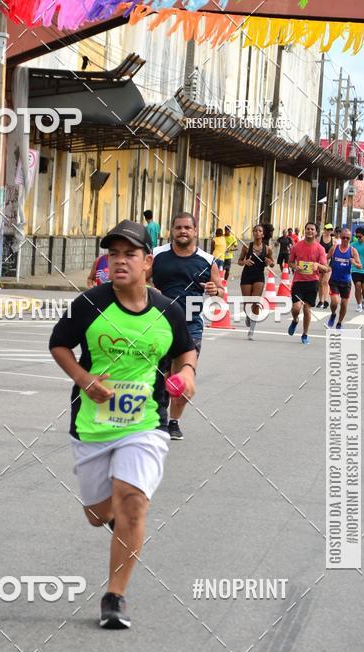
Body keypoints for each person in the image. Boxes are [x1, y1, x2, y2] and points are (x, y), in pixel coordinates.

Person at [49, 220, 197, 629]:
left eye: (129, 254)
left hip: (145, 424)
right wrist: (84, 379)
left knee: (132, 500)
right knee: (98, 514)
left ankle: (115, 597)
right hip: (93, 427)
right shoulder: (89, 305)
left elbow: (186, 352)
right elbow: (58, 344)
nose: (119, 261)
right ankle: (120, 525)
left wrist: (187, 376)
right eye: (113, 254)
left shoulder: (167, 310)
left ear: (148, 262)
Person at [152, 212, 222, 440]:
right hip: (157, 324)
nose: (182, 231)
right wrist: (150, 290)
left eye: (187, 228)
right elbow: (139, 280)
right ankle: (157, 417)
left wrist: (215, 290)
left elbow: (220, 290)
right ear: (171, 231)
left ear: (195, 231)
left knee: (182, 377)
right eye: (178, 228)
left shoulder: (207, 260)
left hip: (190, 325)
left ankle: (174, 422)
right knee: (158, 376)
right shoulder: (157, 256)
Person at [287, 222, 329, 345]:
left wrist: (318, 265)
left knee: (307, 309)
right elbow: (290, 262)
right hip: (298, 281)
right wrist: (295, 267)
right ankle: (295, 320)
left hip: (312, 282)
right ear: (304, 231)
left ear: (316, 232)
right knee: (296, 307)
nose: (310, 231)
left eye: (312, 229)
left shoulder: (320, 248)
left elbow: (326, 268)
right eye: (307, 229)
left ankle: (305, 334)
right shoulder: (297, 246)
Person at [238, 224, 275, 340]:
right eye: (255, 230)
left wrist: (270, 262)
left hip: (259, 276)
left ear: (263, 234)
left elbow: (272, 263)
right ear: (253, 233)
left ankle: (252, 330)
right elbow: (239, 261)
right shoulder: (246, 247)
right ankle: (248, 316)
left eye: (259, 231)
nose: (257, 232)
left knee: (255, 302)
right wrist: (245, 262)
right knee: (247, 303)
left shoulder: (268, 249)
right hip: (247, 276)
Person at [326, 228, 361, 329]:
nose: (345, 239)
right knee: (335, 302)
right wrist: (326, 266)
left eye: (348, 238)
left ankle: (339, 323)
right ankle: (333, 314)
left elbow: (360, 265)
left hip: (346, 282)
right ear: (340, 237)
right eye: (343, 237)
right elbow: (326, 258)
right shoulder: (334, 248)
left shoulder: (352, 251)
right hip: (334, 281)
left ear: (350, 239)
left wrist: (354, 263)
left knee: (344, 305)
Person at [317, 224, 334, 307]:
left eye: (330, 229)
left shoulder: (333, 240)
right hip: (320, 263)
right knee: (320, 282)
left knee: (325, 282)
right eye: (327, 229)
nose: (329, 231)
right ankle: (320, 300)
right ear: (324, 229)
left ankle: (325, 300)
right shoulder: (319, 238)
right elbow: (315, 248)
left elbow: (334, 252)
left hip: (329, 263)